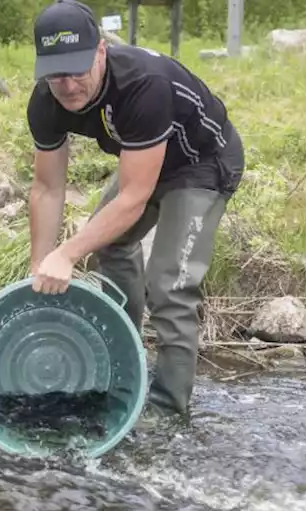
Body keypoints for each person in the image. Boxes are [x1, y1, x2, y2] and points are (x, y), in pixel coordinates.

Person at [24, 0, 244, 417]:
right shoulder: (45, 102)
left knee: (170, 286)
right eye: (55, 74)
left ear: (101, 51)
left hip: (202, 164)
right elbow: (48, 187)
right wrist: (41, 264)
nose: (68, 85)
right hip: (145, 160)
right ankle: (123, 357)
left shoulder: (144, 84)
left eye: (77, 69)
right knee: (110, 245)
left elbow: (132, 199)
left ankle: (165, 413)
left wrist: (67, 253)